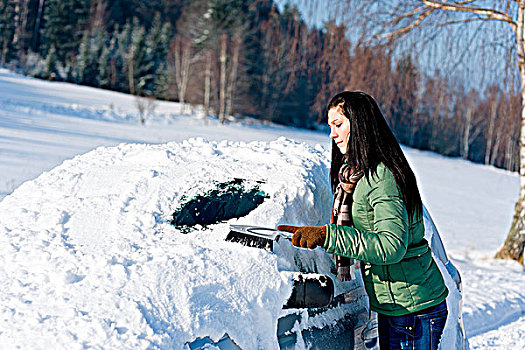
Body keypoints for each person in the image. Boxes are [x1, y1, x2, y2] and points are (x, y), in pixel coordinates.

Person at [277, 91, 449, 350]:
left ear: (360, 125)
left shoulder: (381, 177)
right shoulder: (355, 175)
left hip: (414, 308)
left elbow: (391, 246)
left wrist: (328, 236)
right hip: (396, 305)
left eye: (338, 125)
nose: (332, 134)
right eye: (330, 127)